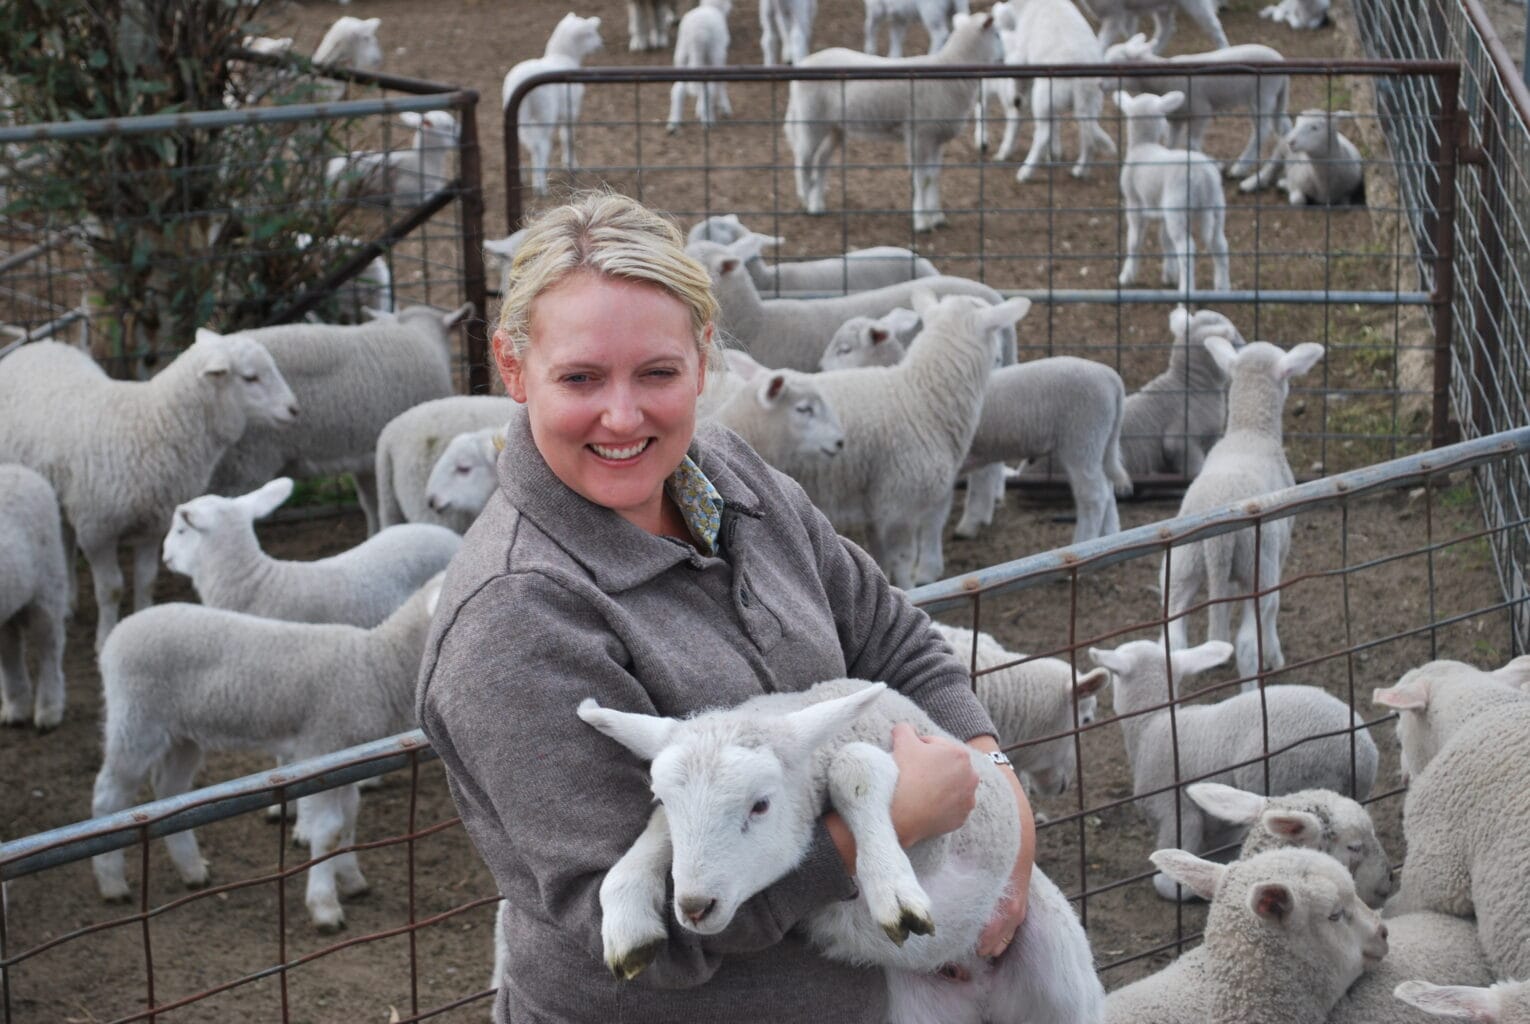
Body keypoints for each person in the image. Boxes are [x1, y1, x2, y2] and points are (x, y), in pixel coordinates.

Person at [416, 191, 1036, 1024]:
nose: (624, 415)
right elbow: (647, 935)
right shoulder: (517, 619)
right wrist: (878, 834)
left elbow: (892, 639)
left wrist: (1000, 793)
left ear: (704, 359)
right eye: (581, 377)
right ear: (514, 366)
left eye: (659, 373)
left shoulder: (730, 477)